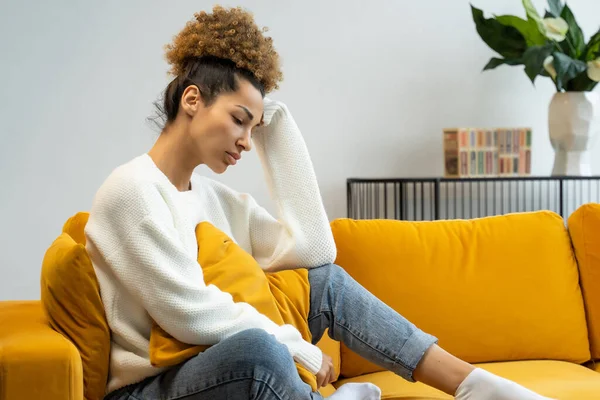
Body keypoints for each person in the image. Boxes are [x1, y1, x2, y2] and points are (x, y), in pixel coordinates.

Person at [84, 6, 553, 400]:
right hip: (150, 388)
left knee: (324, 283)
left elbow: (315, 253)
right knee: (260, 352)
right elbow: (188, 312)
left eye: (254, 128)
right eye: (239, 121)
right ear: (192, 100)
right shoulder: (133, 191)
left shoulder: (211, 198)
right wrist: (296, 345)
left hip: (208, 365)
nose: (247, 141)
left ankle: (471, 383)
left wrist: (277, 127)